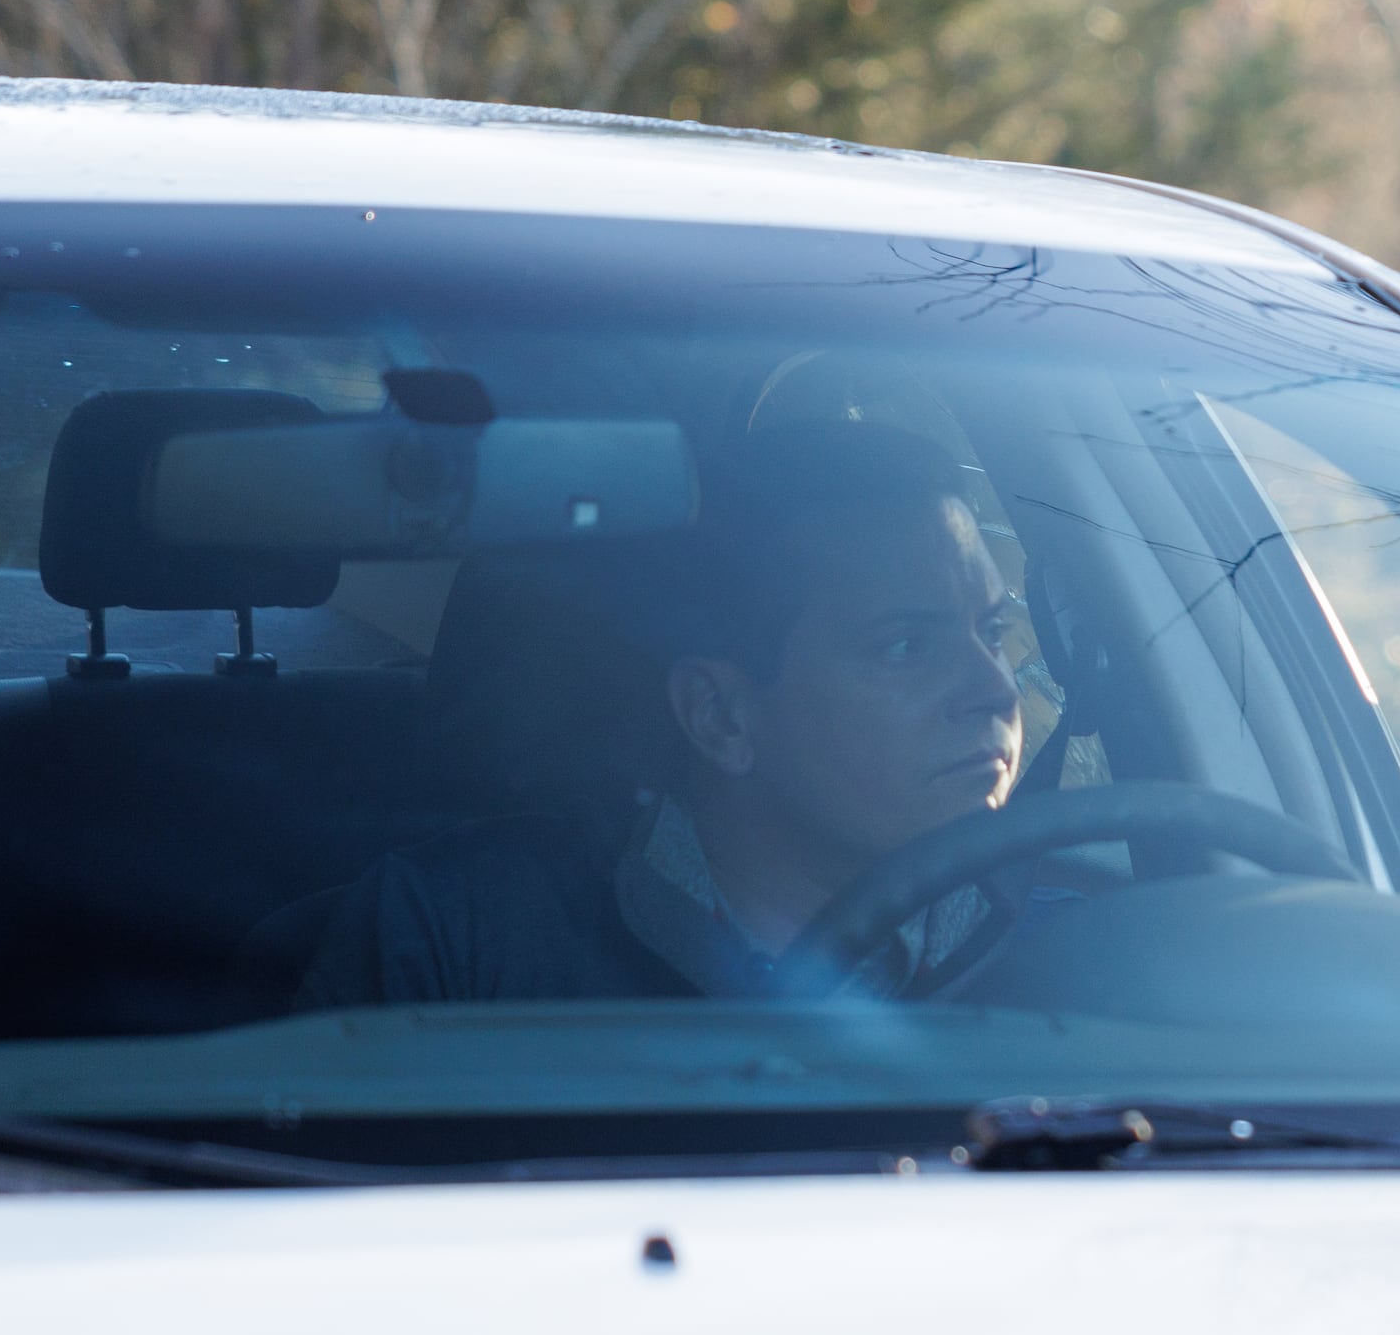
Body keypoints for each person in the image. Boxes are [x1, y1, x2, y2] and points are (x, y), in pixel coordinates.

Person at [298, 419, 1031, 1007]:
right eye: (907, 646)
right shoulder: (454, 943)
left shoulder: (1071, 941)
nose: (996, 689)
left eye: (992, 632)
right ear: (721, 717)